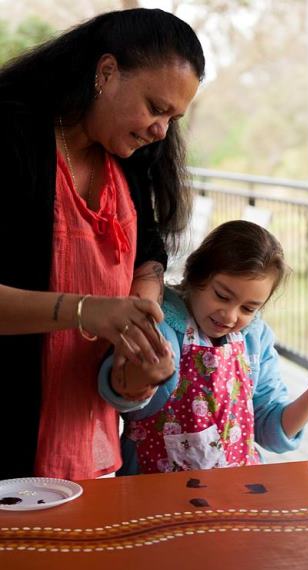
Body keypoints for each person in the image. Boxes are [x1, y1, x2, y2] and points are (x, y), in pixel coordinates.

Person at [0, 8, 205, 480]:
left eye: (172, 118)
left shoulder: (128, 154)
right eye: (156, 108)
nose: (161, 131)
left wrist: (140, 316)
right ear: (107, 73)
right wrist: (84, 310)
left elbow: (149, 253)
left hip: (88, 449)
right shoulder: (11, 136)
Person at [99, 221, 308, 474]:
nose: (230, 316)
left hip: (238, 496)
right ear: (195, 274)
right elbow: (117, 393)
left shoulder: (255, 338)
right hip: (157, 496)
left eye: (248, 308)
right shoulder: (160, 321)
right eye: (222, 296)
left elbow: (271, 430)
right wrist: (143, 375)